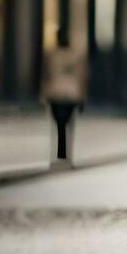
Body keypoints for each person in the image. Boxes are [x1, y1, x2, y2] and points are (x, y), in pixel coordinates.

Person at [41, 29, 88, 162]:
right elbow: (81, 77)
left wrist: (44, 93)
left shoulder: (52, 56)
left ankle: (61, 151)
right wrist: (82, 97)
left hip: (56, 93)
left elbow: (46, 75)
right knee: (67, 124)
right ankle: (65, 151)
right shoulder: (75, 55)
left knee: (59, 125)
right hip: (70, 94)